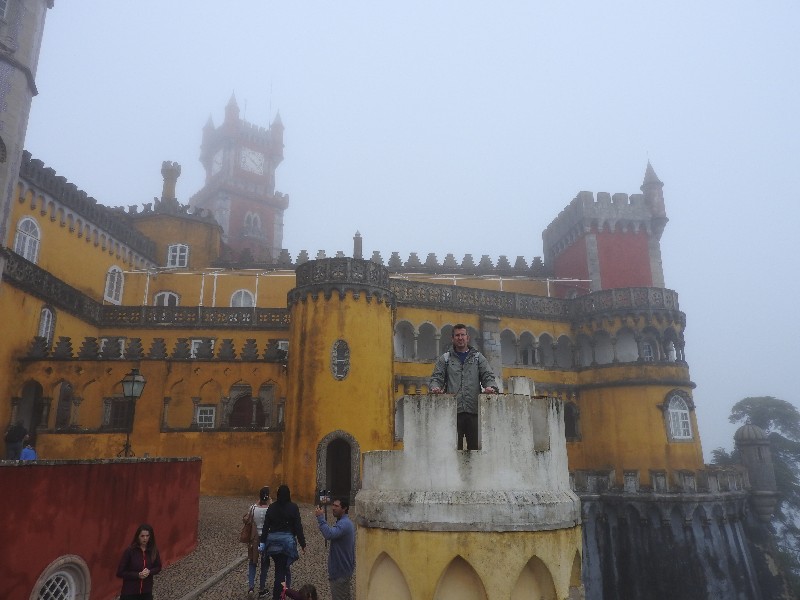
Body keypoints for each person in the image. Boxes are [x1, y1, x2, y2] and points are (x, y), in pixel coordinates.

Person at [429, 324, 498, 449]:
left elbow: (488, 376)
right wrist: (435, 387)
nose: (460, 338)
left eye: (462, 335)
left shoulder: (478, 358)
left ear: (468, 338)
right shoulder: (445, 359)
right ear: (452, 338)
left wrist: (491, 387)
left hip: (473, 412)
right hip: (453, 412)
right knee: (453, 449)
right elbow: (437, 378)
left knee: (476, 450)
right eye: (457, 335)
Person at [259, 484, 306, 600]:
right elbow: (298, 527)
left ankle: (282, 593)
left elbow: (266, 526)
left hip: (272, 544)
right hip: (286, 544)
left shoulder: (272, 507)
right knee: (280, 572)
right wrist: (302, 543)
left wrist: (262, 542)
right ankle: (278, 596)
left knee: (280, 570)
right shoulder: (293, 507)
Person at [314, 497, 355, 600]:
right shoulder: (343, 522)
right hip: (341, 570)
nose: (333, 508)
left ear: (344, 508)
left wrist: (321, 518)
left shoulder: (345, 524)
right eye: (333, 505)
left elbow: (329, 534)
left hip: (341, 571)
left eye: (336, 506)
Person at [116, 523, 162, 600]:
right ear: (138, 536)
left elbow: (158, 567)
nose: (145, 538)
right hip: (129, 592)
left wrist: (149, 572)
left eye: (147, 536)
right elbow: (120, 572)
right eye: (142, 536)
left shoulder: (153, 551)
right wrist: (137, 575)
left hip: (146, 592)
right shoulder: (130, 551)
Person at [245, 486, 272, 595]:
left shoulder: (252, 508)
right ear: (268, 497)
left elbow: (248, 519)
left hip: (254, 538)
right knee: (265, 564)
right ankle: (261, 588)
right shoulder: (270, 509)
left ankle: (251, 587)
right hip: (265, 539)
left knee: (252, 562)